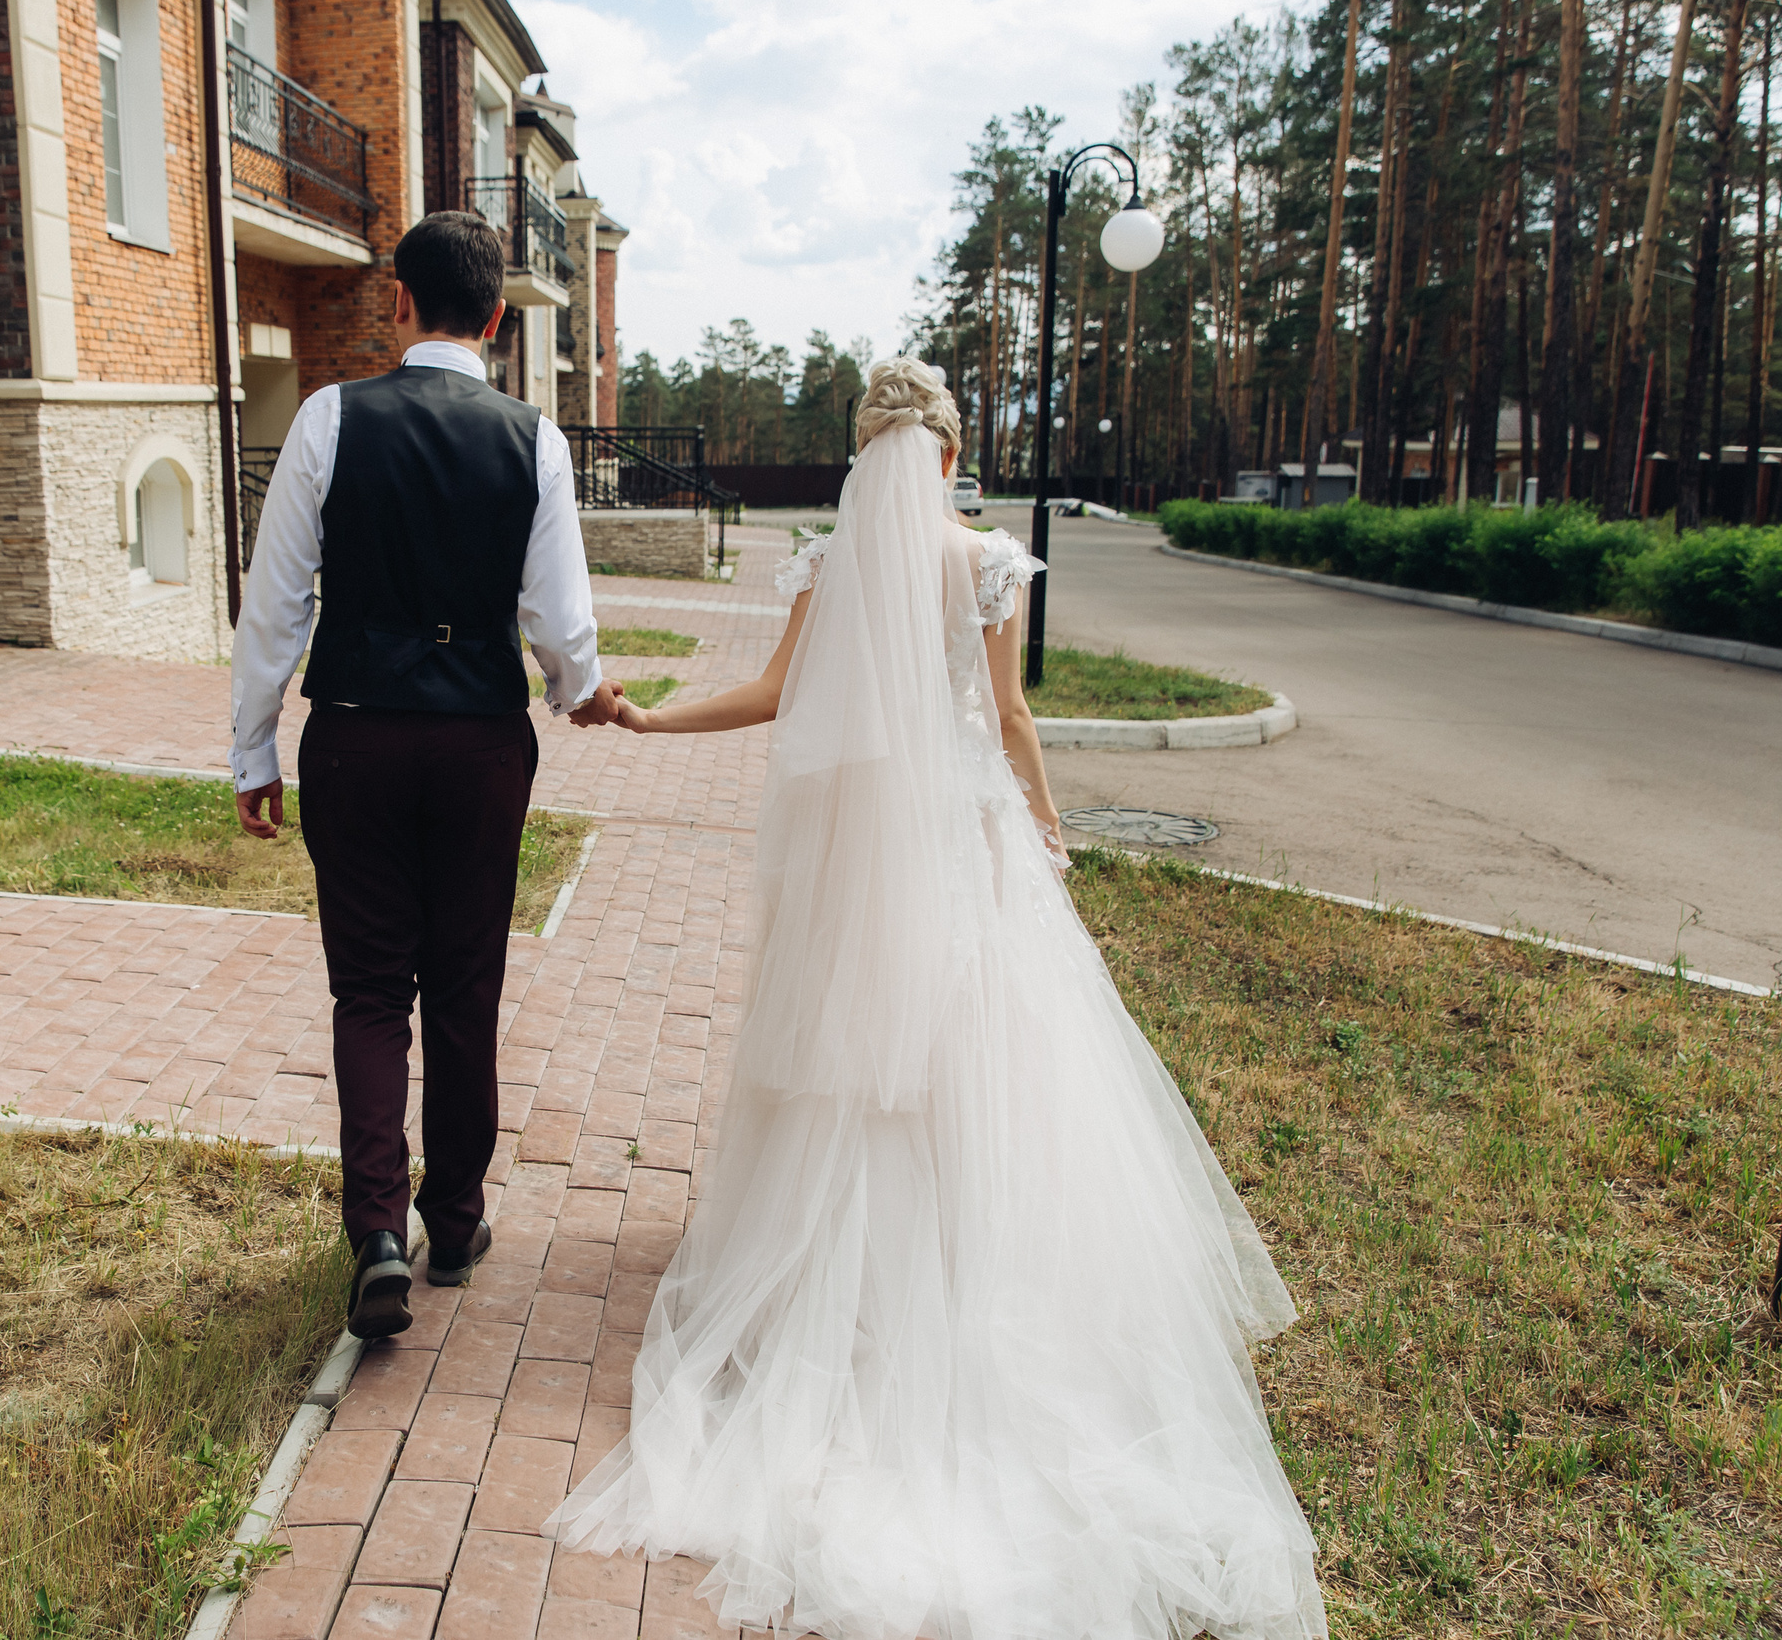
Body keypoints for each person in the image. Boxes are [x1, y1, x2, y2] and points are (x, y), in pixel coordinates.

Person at [545, 360, 1326, 1640]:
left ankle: (827, 1272)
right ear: (951, 454)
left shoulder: (829, 561)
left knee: (848, 1050)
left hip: (859, 856)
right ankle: (974, 1259)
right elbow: (1007, 715)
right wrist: (1048, 821)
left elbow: (774, 695)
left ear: (865, 456)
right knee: (984, 1048)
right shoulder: (988, 562)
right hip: (962, 840)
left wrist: (650, 721)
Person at [230, 210, 622, 1342]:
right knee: (462, 987)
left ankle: (377, 1234)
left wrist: (253, 748)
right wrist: (578, 689)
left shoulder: (327, 418)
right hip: (479, 746)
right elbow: (558, 615)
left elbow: (274, 603)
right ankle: (453, 1223)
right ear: (497, 319)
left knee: (367, 992)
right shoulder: (534, 439)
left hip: (355, 734)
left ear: (397, 301)